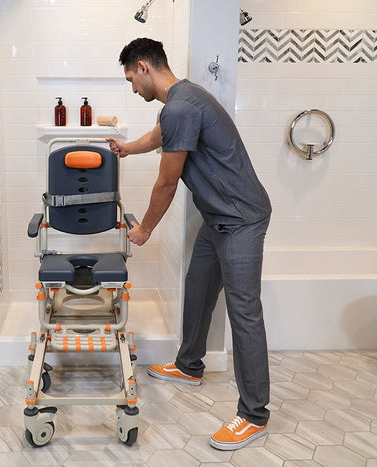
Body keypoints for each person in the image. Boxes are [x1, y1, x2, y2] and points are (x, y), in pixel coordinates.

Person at [106, 37, 272, 451]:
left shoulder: (182, 104)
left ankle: (254, 415)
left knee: (244, 311)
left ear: (144, 67)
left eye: (131, 79)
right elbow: (160, 135)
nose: (132, 89)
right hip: (218, 218)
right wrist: (127, 148)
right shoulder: (182, 101)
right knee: (198, 287)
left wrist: (144, 228)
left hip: (242, 219)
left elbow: (167, 181)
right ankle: (189, 365)